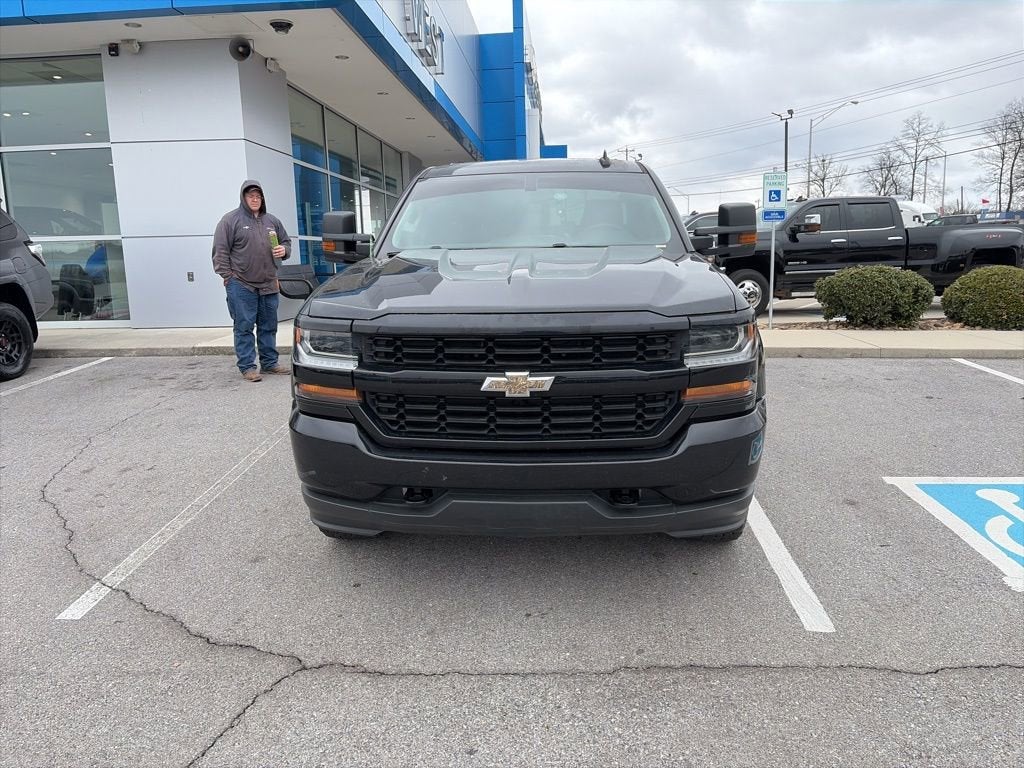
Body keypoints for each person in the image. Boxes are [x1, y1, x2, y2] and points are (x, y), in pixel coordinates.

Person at [212, 180, 291, 382]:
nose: (255, 199)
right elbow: (220, 252)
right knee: (244, 326)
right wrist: (228, 277)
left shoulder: (272, 221)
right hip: (241, 284)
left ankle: (270, 363)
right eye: (251, 196)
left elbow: (286, 241)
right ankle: (247, 367)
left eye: (258, 196)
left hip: (269, 283)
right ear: (243, 198)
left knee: (268, 326)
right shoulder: (230, 221)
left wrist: (284, 250)